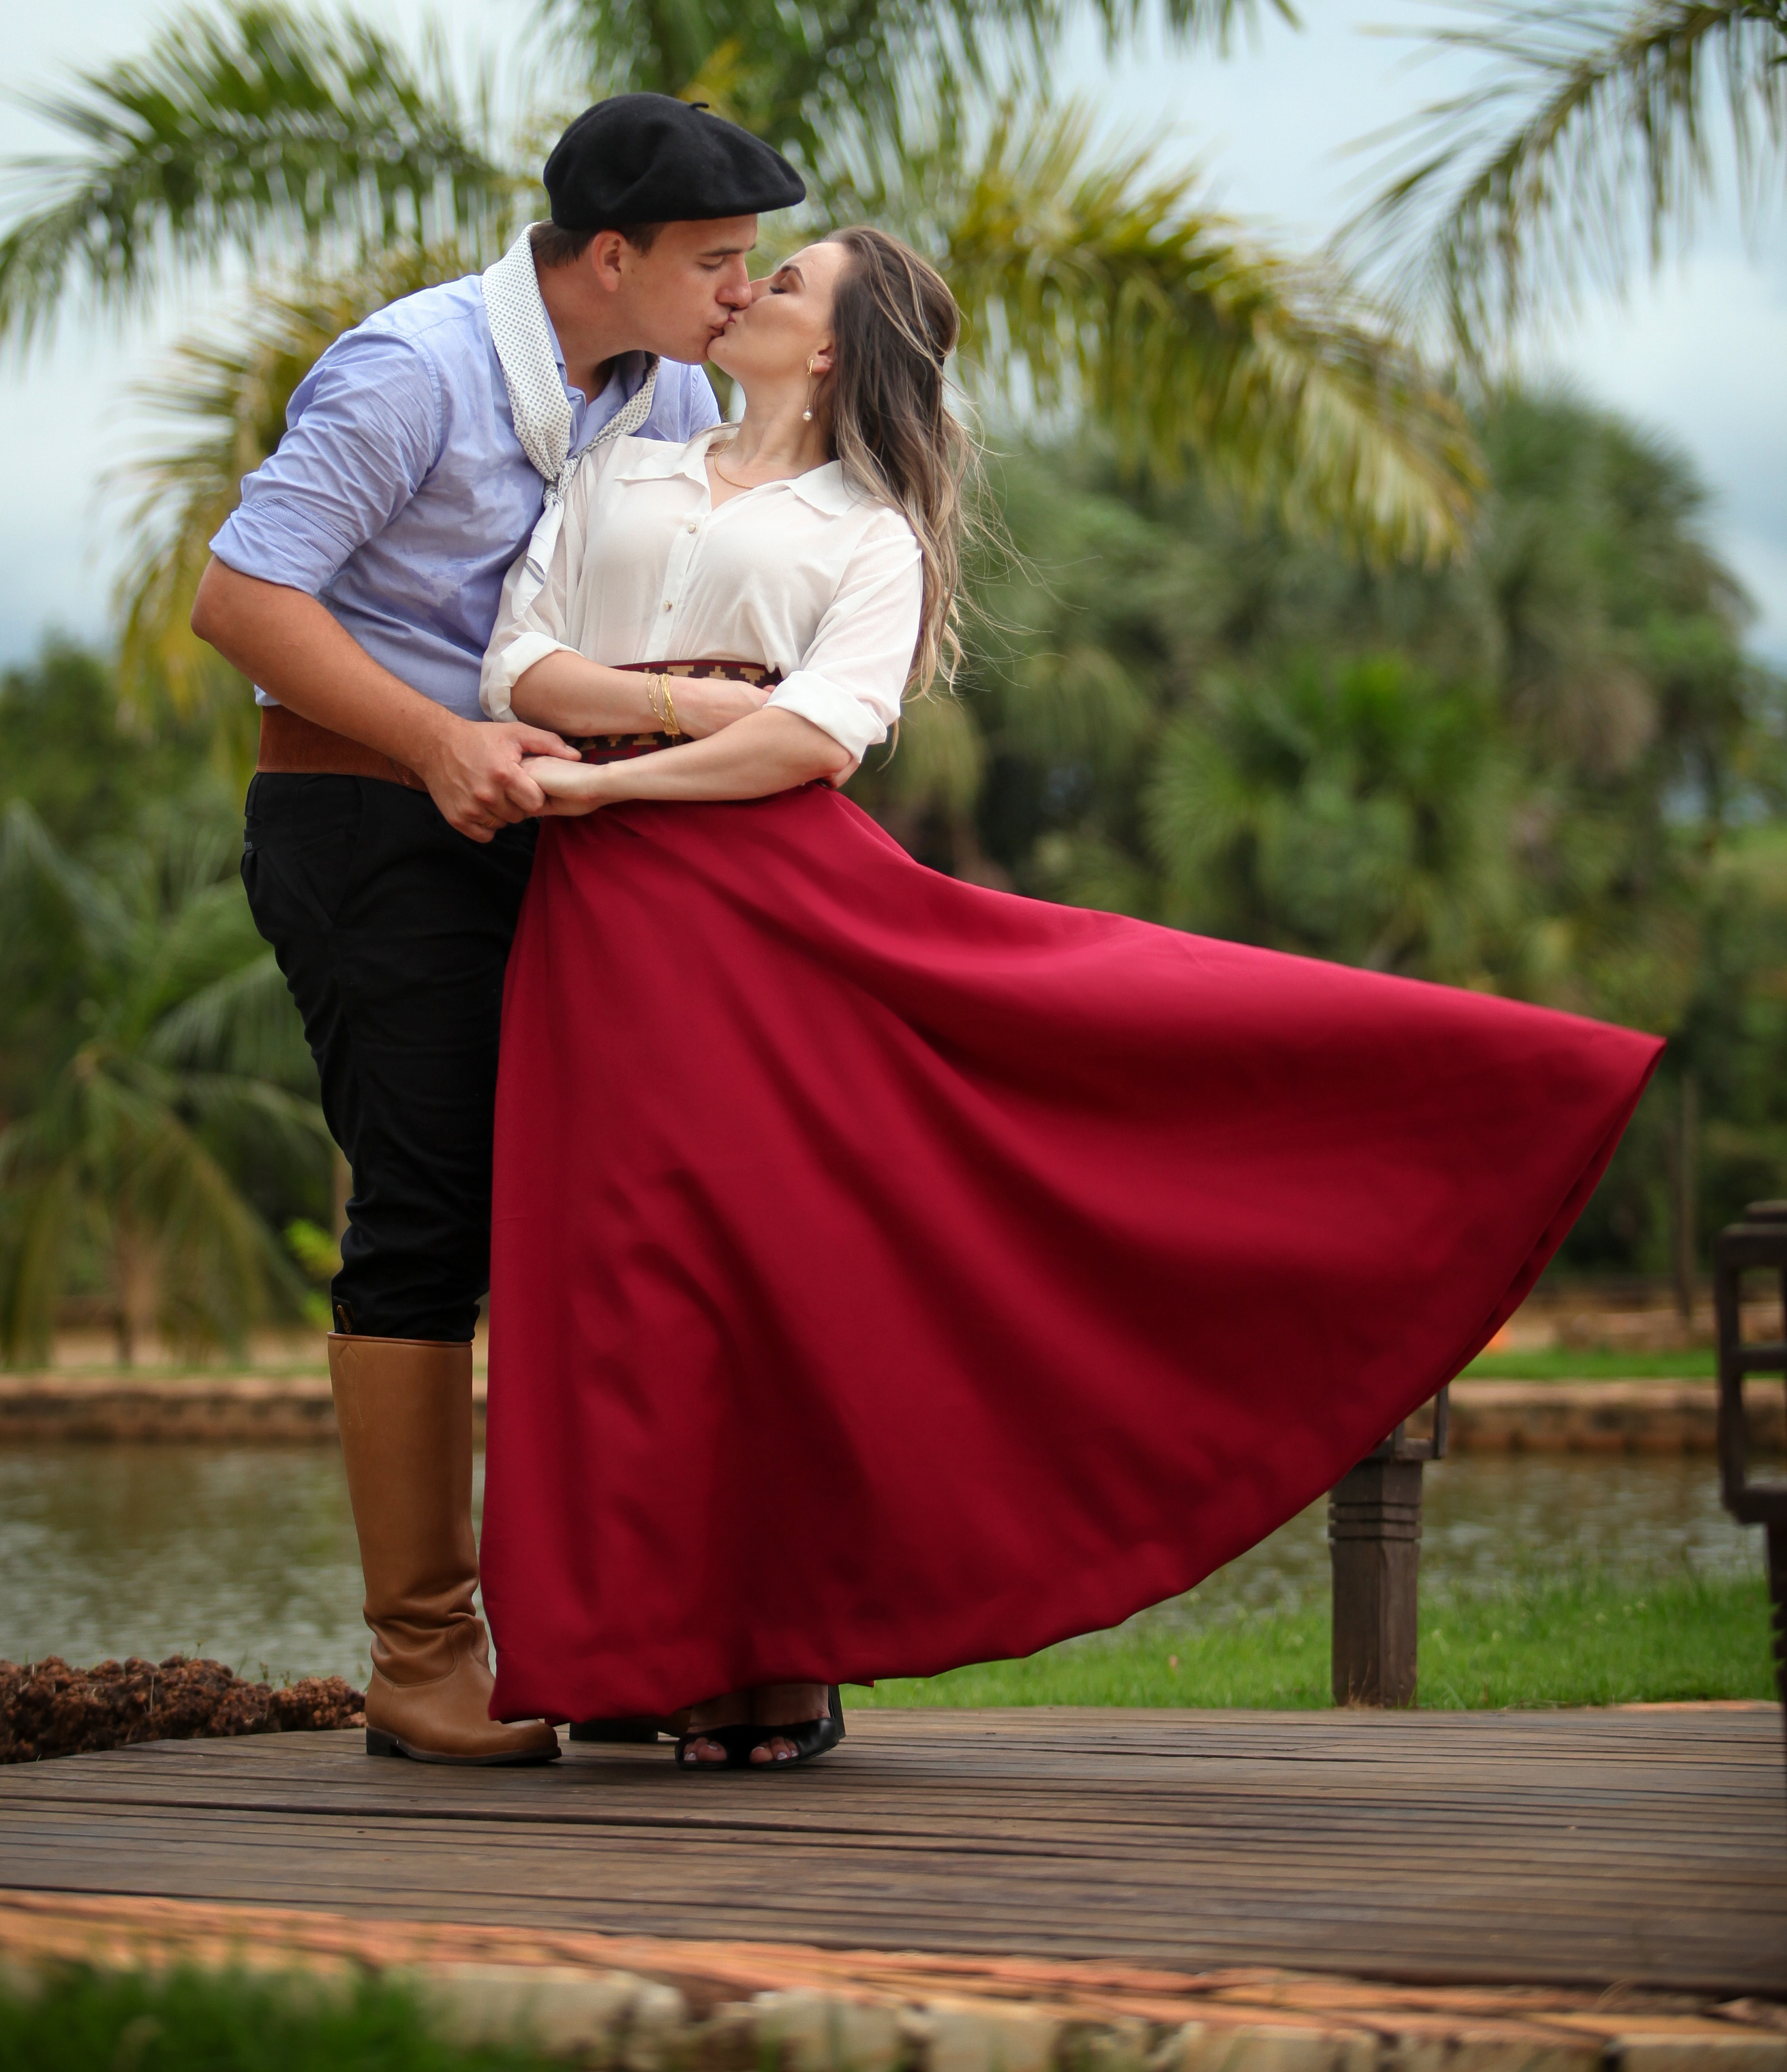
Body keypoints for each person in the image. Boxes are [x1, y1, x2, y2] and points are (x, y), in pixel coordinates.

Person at [475, 225, 1662, 1771]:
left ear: (830, 347)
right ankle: (629, 1648)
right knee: (617, 1272)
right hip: (601, 934)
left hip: (770, 908)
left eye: (782, 283)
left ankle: (770, 1654)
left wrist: (612, 796)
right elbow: (520, 665)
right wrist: (659, 707)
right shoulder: (617, 465)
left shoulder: (872, 532)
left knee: (768, 1265)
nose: (743, 290)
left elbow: (820, 737)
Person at [191, 93, 809, 1767]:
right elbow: (240, 597)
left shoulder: (667, 383)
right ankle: (418, 1656)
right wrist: (435, 743)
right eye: (718, 262)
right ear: (611, 257)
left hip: (566, 829)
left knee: (610, 1212)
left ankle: (615, 1628)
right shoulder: (413, 373)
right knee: (432, 1210)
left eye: (755, 266)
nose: (743, 295)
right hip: (367, 818)